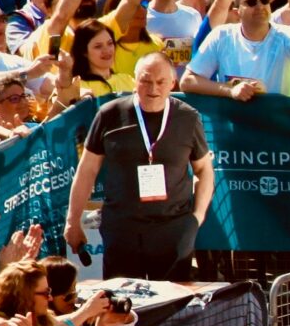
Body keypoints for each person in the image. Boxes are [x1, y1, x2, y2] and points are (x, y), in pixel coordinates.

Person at [62, 54, 211, 279]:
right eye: (146, 80)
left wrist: (197, 217)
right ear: (134, 81)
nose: (153, 88)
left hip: (172, 228)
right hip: (123, 228)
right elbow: (87, 170)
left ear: (172, 83)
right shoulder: (109, 114)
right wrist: (73, 221)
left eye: (161, 82)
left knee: (172, 306)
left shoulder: (187, 118)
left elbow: (204, 170)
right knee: (124, 303)